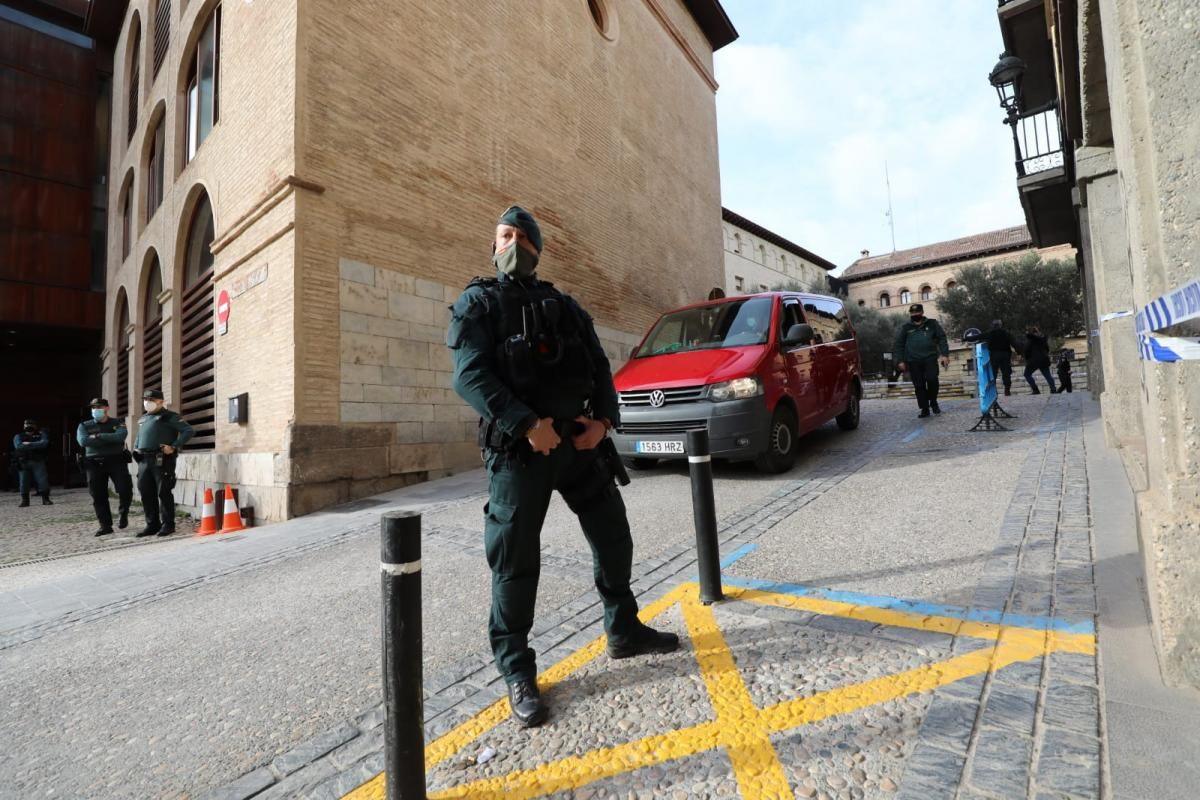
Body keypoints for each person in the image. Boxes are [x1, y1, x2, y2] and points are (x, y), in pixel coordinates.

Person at [446, 206, 678, 727]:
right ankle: (517, 669)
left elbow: (598, 365)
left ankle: (624, 630)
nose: (505, 244)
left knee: (614, 537)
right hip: (518, 452)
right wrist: (528, 424)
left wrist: (604, 423)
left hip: (580, 444)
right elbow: (469, 377)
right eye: (500, 236)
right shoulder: (476, 303)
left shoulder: (566, 305)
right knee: (515, 561)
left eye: (516, 237)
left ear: (534, 247)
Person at [134, 389, 193, 537]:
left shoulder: (169, 417)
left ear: (161, 401)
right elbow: (140, 436)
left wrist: (173, 446)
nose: (147, 402)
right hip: (144, 460)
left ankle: (168, 524)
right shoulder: (143, 418)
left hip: (162, 459)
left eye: (151, 400)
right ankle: (152, 525)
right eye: (146, 399)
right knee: (146, 492)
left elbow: (188, 431)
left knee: (163, 491)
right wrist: (136, 447)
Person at [76, 397, 133, 536]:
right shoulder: (84, 425)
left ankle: (123, 513)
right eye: (93, 408)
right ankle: (105, 526)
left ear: (107, 408)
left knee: (125, 489)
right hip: (94, 463)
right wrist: (109, 438)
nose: (96, 410)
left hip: (116, 460)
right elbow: (83, 441)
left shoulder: (117, 422)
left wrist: (97, 437)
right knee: (98, 495)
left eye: (99, 407)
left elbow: (120, 437)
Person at [894, 303, 950, 418]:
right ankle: (924, 408)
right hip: (913, 361)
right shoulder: (906, 327)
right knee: (919, 385)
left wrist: (945, 354)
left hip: (930, 358)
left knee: (932, 380)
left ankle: (933, 402)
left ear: (922, 312)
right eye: (912, 312)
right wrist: (900, 360)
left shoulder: (932, 323)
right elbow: (899, 344)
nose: (915, 314)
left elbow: (942, 338)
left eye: (917, 312)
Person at [13, 419, 52, 506]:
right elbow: (19, 446)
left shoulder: (41, 435)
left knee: (42, 481)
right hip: (24, 461)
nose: (28, 426)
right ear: (24, 426)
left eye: (31, 424)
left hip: (38, 461)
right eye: (26, 424)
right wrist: (36, 444)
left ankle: (46, 499)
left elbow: (44, 444)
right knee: (23, 482)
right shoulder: (18, 436)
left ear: (35, 426)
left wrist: (29, 444)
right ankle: (25, 500)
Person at [984, 319, 1018, 396]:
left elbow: (979, 336)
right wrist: (1019, 350)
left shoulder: (990, 333)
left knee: (993, 374)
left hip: (994, 356)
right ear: (1000, 325)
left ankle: (994, 391)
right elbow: (1014, 342)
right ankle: (1007, 390)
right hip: (1005, 355)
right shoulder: (1006, 333)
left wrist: (967, 338)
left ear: (993, 325)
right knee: (1006, 373)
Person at [1022, 325, 1058, 394]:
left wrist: (1027, 359)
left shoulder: (1031, 340)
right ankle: (1053, 390)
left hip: (1033, 361)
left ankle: (1035, 390)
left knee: (1027, 374)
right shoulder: (1043, 339)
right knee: (1048, 376)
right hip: (1044, 360)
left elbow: (1026, 350)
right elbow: (1047, 349)